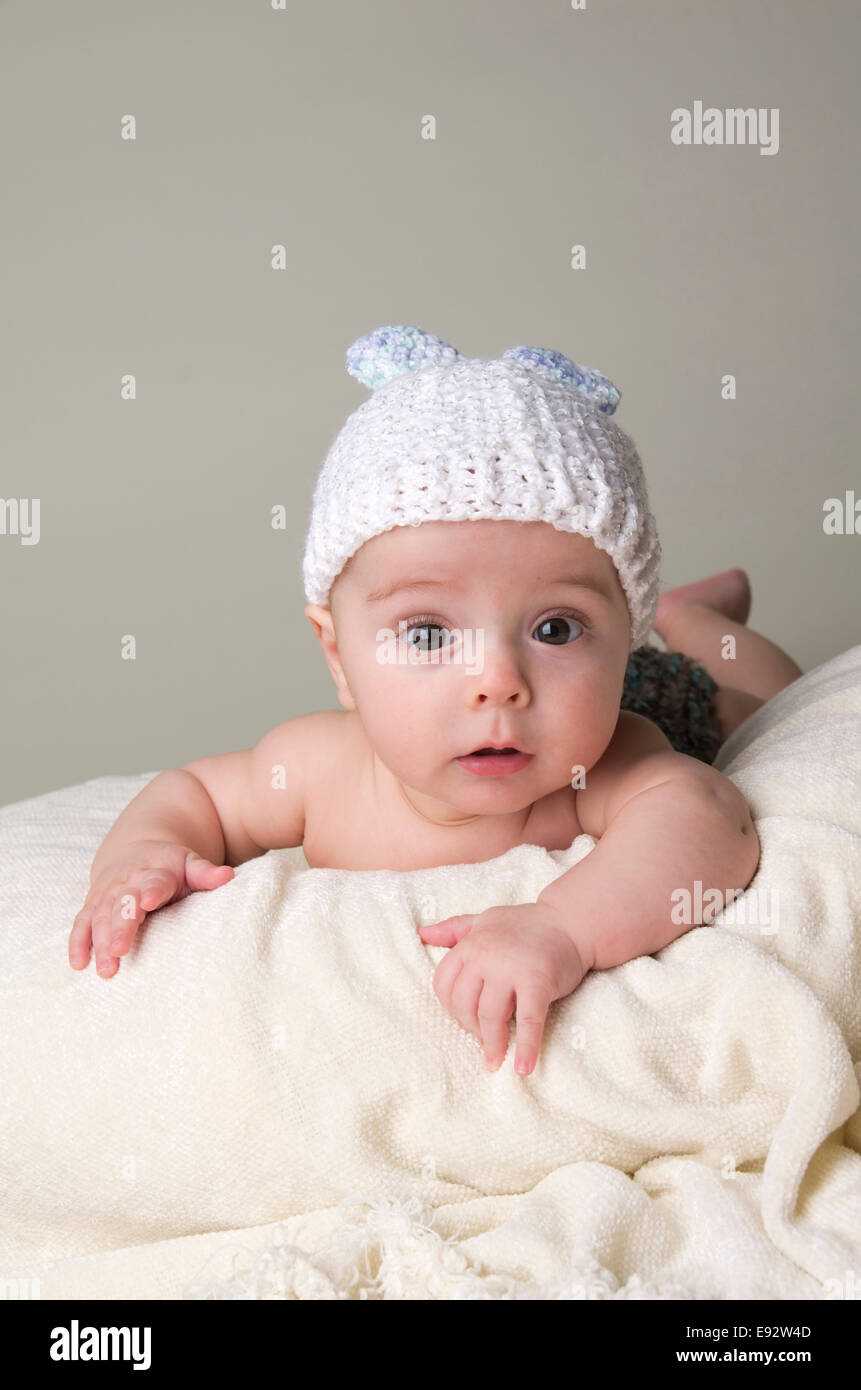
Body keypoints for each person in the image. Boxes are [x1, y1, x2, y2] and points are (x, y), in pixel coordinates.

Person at [67, 326, 802, 1076]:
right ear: (338, 657)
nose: (497, 679)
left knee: (769, 698)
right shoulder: (315, 769)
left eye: (555, 627)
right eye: (425, 634)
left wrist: (563, 928)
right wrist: (141, 856)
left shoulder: (611, 765)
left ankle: (694, 620)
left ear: (619, 635)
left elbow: (712, 826)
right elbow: (192, 795)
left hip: (670, 694)